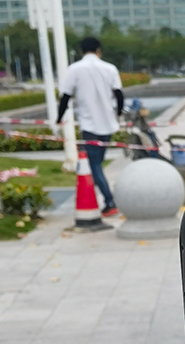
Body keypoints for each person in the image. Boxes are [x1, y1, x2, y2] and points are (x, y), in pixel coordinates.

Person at [57, 37, 123, 217]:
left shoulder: (74, 69)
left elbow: (65, 96)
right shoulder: (110, 68)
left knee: (95, 165)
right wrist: (118, 114)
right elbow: (119, 95)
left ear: (81, 51)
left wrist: (59, 118)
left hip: (89, 126)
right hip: (107, 124)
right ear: (99, 50)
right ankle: (101, 196)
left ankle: (109, 201)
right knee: (97, 163)